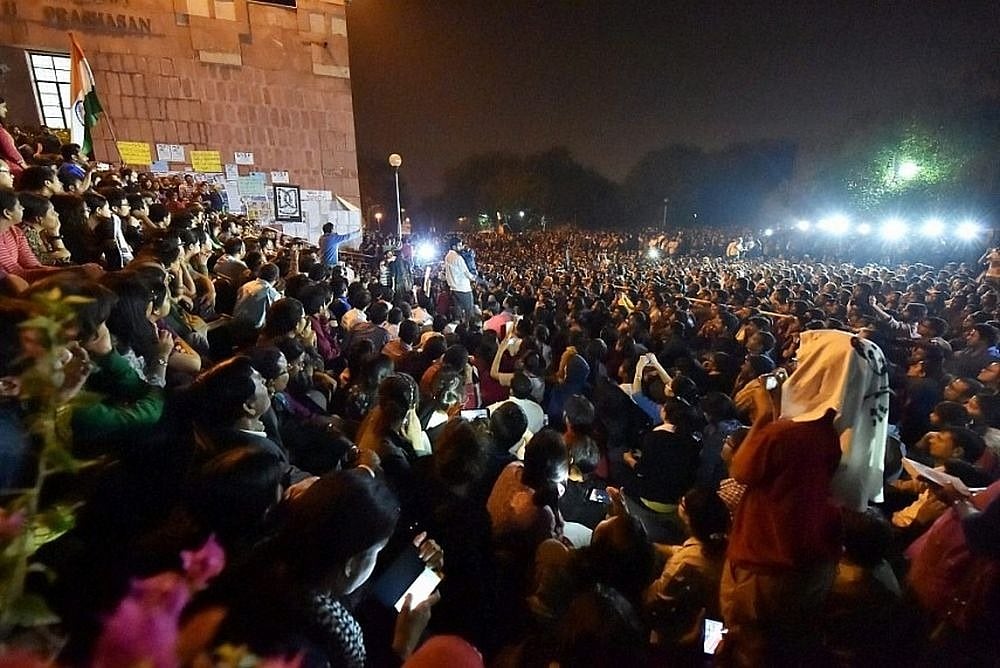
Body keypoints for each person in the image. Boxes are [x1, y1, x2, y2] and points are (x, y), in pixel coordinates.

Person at [232, 262, 282, 329]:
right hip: (254, 331)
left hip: (234, 323)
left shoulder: (246, 285)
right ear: (277, 279)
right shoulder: (270, 292)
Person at [443, 237, 475, 322]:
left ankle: (458, 328)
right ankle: (469, 329)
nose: (461, 247)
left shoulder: (447, 256)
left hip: (454, 288)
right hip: (463, 289)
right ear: (454, 247)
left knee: (458, 310)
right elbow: (467, 273)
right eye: (459, 245)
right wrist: (474, 277)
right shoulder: (458, 258)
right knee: (469, 310)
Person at [0, 98, 27, 181]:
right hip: (10, 168)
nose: (6, 110)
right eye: (3, 107)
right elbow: (10, 150)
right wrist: (25, 167)